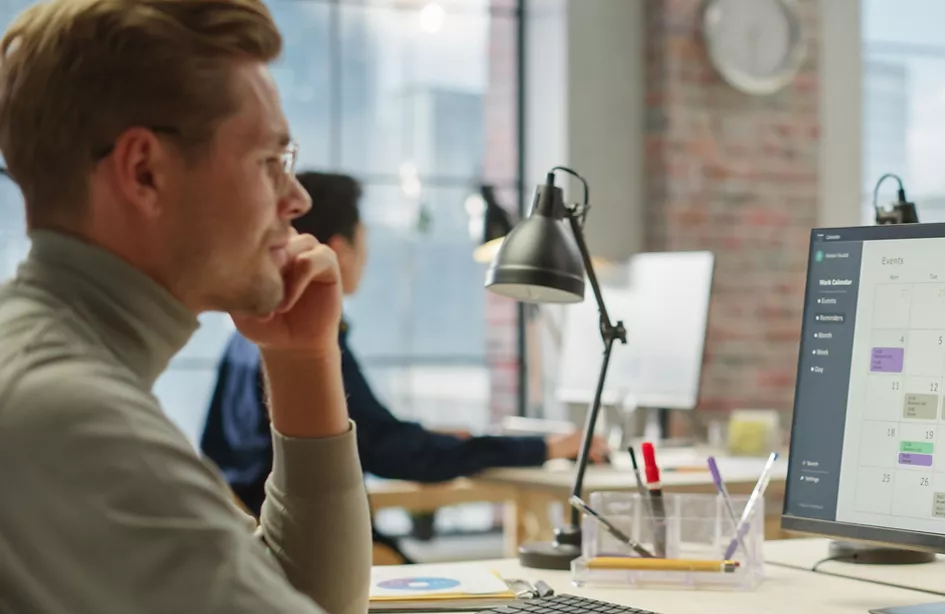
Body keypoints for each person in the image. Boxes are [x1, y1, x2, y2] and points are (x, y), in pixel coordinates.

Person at [0, 0, 370, 612]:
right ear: (144, 172)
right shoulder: (77, 420)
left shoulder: (45, 364)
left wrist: (303, 359)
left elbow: (305, 600)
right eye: (269, 162)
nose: (297, 197)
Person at [202, 171, 603, 520]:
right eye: (365, 240)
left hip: (257, 538)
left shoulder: (252, 334)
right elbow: (393, 452)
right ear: (340, 251)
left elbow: (366, 434)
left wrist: (433, 437)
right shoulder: (306, 347)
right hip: (304, 548)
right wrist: (544, 447)